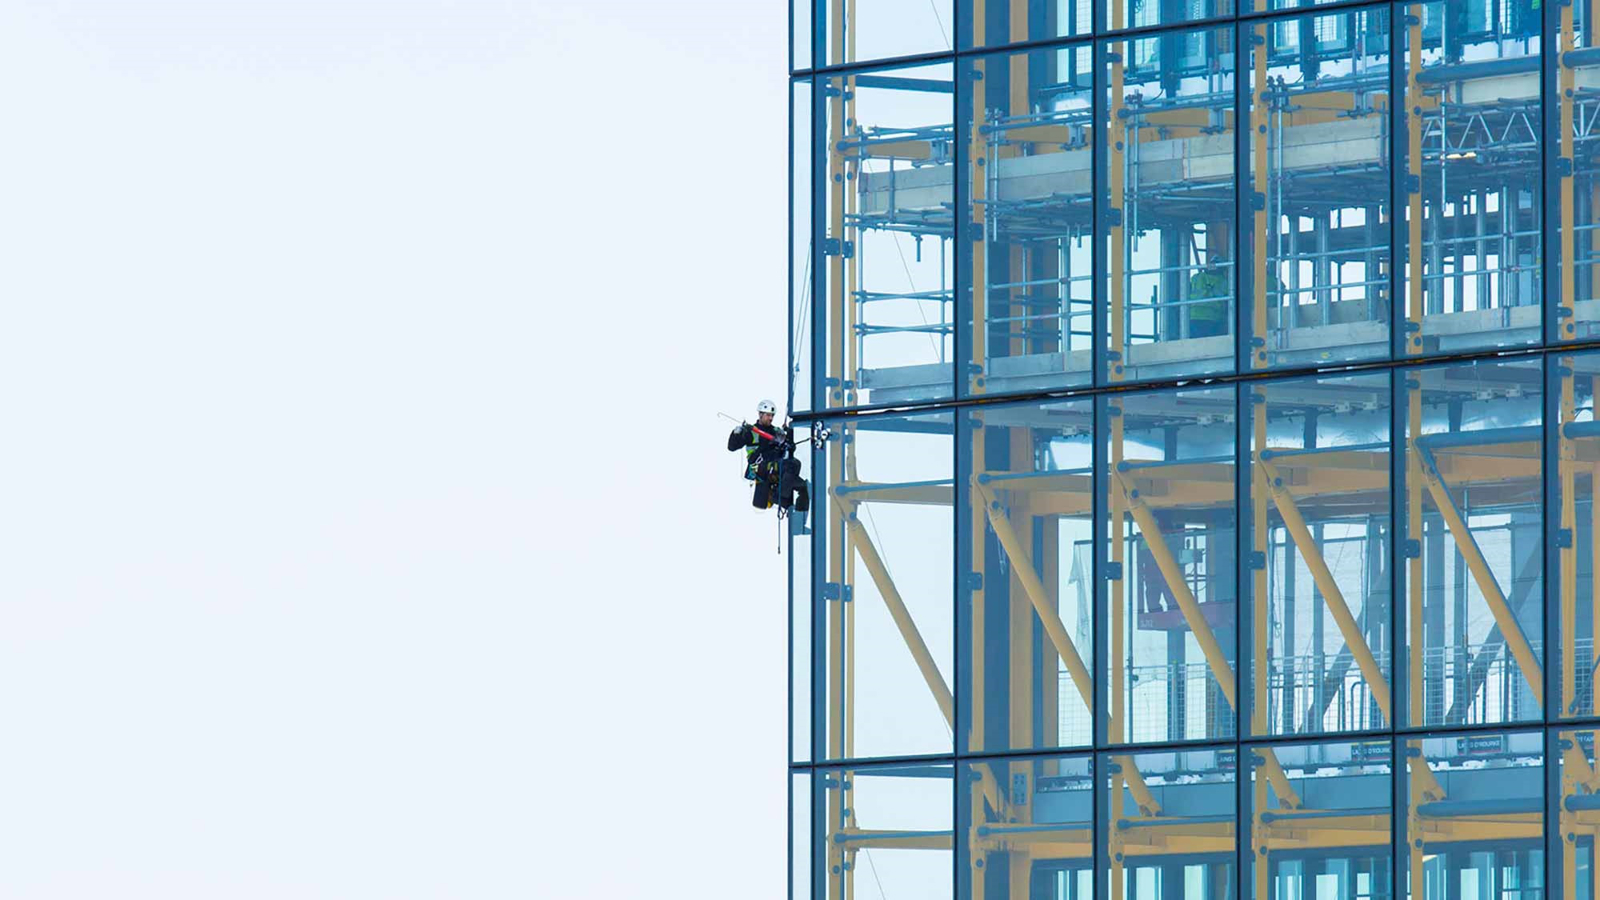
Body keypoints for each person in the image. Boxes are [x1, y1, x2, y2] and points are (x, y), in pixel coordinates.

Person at [728, 399, 810, 528]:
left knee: (801, 481)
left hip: (776, 465)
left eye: (772, 415)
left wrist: (788, 432)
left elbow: (789, 444)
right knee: (791, 465)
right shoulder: (751, 432)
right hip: (760, 466)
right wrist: (736, 434)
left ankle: (797, 516)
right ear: (760, 414)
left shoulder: (776, 431)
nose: (770, 418)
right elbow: (732, 447)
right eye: (768, 415)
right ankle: (780, 496)